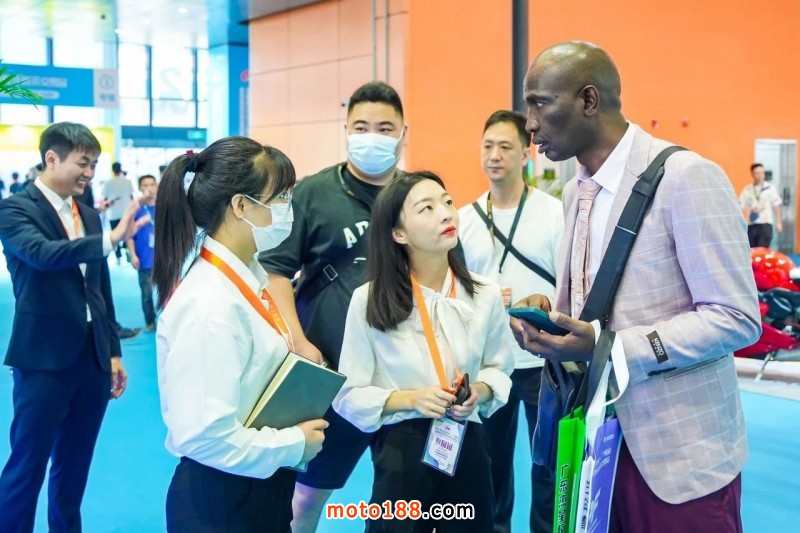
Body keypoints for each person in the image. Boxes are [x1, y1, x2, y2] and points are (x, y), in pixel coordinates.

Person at [511, 41, 760, 532]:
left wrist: (613, 348)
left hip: (679, 456)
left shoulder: (687, 177)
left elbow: (736, 317)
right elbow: (601, 305)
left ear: (588, 100)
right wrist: (554, 318)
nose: (530, 124)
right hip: (596, 447)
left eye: (540, 103)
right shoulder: (576, 191)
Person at [153, 137, 328, 531]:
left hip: (258, 483)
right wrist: (294, 443)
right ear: (241, 206)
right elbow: (204, 437)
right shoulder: (209, 305)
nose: (288, 209)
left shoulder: (247, 278)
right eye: (280, 197)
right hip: (222, 497)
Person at [260, 81, 407, 532]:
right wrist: (299, 341)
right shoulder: (313, 193)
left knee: (404, 497)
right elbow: (276, 272)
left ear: (403, 132)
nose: (372, 137)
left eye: (385, 128)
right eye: (361, 127)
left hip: (402, 375)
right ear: (345, 130)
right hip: (329, 373)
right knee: (306, 496)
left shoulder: (414, 195)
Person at [333, 171, 513, 531]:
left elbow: (499, 367)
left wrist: (478, 391)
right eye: (426, 208)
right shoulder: (368, 299)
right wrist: (411, 399)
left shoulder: (485, 293)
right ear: (398, 233)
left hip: (467, 439)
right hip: (402, 445)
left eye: (447, 202)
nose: (446, 214)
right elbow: (348, 393)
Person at [0, 122, 147, 532]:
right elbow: (43, 254)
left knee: (73, 468)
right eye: (83, 163)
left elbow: (100, 289)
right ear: (52, 158)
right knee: (26, 467)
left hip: (92, 359)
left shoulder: (90, 216)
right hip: (43, 359)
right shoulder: (15, 209)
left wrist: (113, 351)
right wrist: (112, 239)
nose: (89, 173)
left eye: (94, 164)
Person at [457, 109, 564, 533]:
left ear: (525, 154)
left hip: (544, 359)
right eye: (488, 146)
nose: (494, 155)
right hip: (489, 363)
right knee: (489, 467)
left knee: (548, 466)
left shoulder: (554, 213)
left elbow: (572, 285)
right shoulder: (463, 219)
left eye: (505, 146)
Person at [126, 174, 158, 332]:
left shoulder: (164, 207)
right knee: (146, 294)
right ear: (139, 188)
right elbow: (129, 236)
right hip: (144, 259)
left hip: (164, 259)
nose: (149, 188)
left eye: (152, 185)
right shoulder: (136, 210)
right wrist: (133, 254)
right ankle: (150, 321)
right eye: (145, 185)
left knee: (169, 293)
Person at [740, 162, 782, 248]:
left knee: (762, 249)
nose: (760, 176)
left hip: (765, 224)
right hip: (751, 224)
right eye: (757, 173)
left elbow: (776, 206)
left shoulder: (770, 188)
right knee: (751, 249)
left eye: (762, 173)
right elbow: (740, 205)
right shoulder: (748, 189)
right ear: (752, 174)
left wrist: (778, 222)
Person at [102, 161, 135, 265]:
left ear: (112, 170)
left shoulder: (108, 183)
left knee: (115, 236)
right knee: (127, 234)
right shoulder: (127, 182)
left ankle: (118, 257)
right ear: (120, 169)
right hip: (126, 212)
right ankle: (127, 252)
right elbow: (132, 197)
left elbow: (105, 199)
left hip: (113, 214)